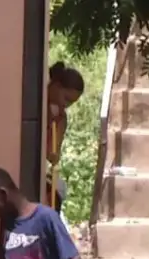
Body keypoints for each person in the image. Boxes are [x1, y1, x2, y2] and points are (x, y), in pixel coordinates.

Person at [46, 62, 85, 212]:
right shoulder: (36, 102)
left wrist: (54, 155)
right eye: (66, 99)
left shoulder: (61, 118)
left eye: (71, 103)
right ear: (56, 86)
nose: (66, 105)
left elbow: (53, 152)